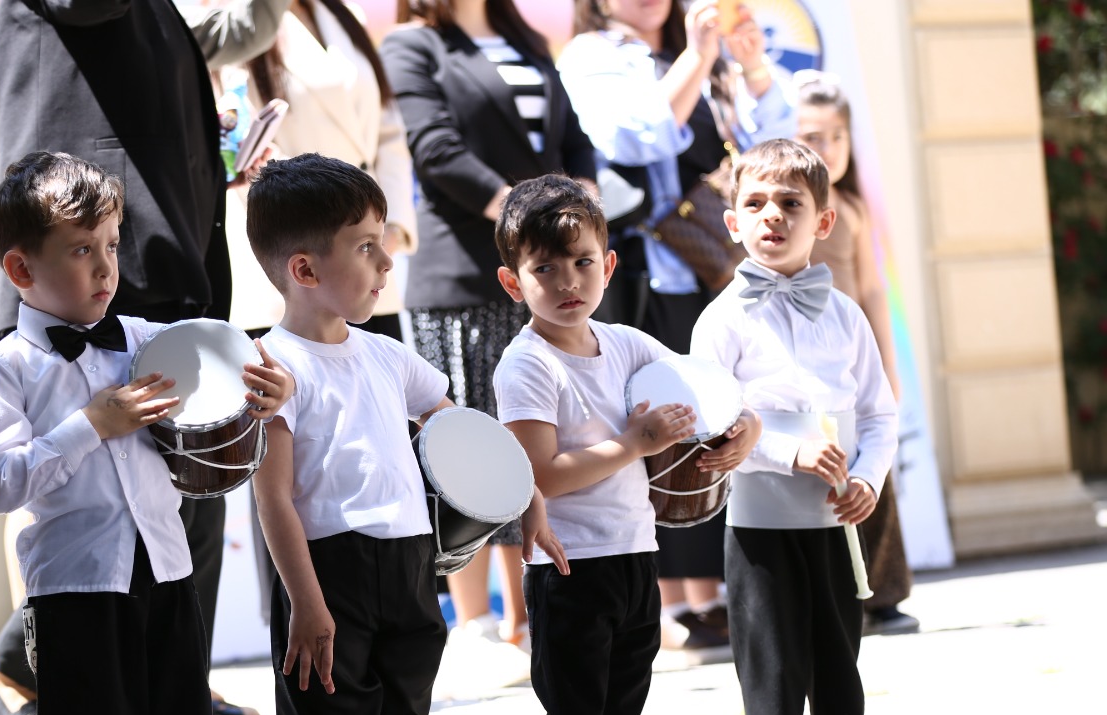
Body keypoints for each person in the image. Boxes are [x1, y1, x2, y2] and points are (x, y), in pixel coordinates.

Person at [0, 151, 294, 715]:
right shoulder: (6, 369)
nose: (105, 267)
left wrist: (266, 391)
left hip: (167, 574)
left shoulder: (147, 341)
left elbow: (228, 389)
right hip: (78, 592)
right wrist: (89, 425)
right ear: (20, 269)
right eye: (82, 251)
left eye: (111, 245)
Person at [0, 0, 292, 715]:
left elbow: (225, 39)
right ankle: (18, 672)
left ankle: (175, 713)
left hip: (155, 265)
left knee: (189, 497)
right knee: (110, 499)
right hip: (88, 276)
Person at [248, 153, 561, 715]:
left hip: (408, 562)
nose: (387, 261)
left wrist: (523, 496)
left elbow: (457, 430)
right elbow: (273, 498)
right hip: (327, 572)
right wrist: (307, 604)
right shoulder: (274, 368)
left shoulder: (386, 353)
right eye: (366, 247)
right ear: (304, 268)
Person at [492, 174, 758, 715]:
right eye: (545, 268)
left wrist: (743, 427)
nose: (567, 282)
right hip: (569, 567)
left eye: (582, 262)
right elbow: (540, 475)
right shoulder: (527, 364)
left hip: (636, 556)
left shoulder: (627, 343)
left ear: (608, 266)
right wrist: (635, 443)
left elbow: (710, 392)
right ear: (513, 282)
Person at [691, 139, 926, 715]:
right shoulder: (721, 321)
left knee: (838, 663)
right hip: (761, 523)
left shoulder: (846, 315)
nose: (772, 215)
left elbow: (879, 413)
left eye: (791, 203)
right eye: (755, 203)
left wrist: (869, 478)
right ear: (732, 221)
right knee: (772, 669)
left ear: (822, 222)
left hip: (835, 518)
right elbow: (709, 418)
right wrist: (783, 450)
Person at [561, 0, 794, 655]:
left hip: (714, 267)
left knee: (718, 422)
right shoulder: (593, 56)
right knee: (653, 428)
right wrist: (697, 58)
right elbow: (631, 138)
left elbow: (776, 154)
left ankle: (715, 596)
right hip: (641, 272)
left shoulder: (705, 52)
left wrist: (751, 68)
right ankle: (664, 604)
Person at [382, 0, 596, 660]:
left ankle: (522, 619)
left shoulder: (522, 37)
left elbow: (573, 139)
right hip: (465, 276)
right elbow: (436, 150)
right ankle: (474, 621)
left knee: (527, 439)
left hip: (542, 272)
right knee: (470, 445)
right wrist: (530, 216)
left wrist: (580, 209)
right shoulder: (413, 44)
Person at [795, 71, 918, 636]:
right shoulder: (784, 210)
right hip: (802, 367)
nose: (827, 148)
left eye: (836, 136)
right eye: (812, 137)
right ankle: (833, 597)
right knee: (820, 479)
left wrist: (888, 368)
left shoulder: (853, 209)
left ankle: (884, 593)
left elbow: (872, 290)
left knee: (873, 473)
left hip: (852, 363)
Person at [226, 0, 416, 342]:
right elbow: (241, 140)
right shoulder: (233, 19)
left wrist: (388, 230)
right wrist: (340, 231)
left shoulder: (344, 13)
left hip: (366, 253)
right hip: (299, 263)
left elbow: (388, 131)